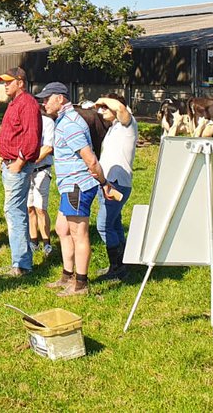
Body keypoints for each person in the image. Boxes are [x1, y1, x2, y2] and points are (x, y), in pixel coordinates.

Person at [39, 82, 117, 297]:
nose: (44, 103)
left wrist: (104, 183)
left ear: (60, 98)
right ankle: (67, 276)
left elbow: (90, 159)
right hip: (69, 185)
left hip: (77, 186)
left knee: (78, 234)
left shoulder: (70, 124)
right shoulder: (64, 120)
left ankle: (81, 284)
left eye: (47, 98)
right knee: (62, 229)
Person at [0, 66, 41, 277]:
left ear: (20, 82)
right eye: (4, 82)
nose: (5, 85)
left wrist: (19, 162)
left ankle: (22, 265)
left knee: (15, 212)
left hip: (17, 165)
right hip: (9, 163)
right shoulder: (14, 102)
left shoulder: (28, 104)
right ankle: (19, 260)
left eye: (9, 82)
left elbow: (31, 137)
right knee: (13, 211)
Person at [94, 95, 136, 280]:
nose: (101, 110)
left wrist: (102, 98)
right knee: (115, 223)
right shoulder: (114, 127)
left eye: (105, 107)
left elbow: (120, 108)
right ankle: (123, 262)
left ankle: (117, 267)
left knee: (103, 225)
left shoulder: (128, 123)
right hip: (108, 182)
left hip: (117, 182)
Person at [27, 100, 56, 257]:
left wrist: (30, 161)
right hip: (26, 171)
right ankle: (33, 241)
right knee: (29, 207)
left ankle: (46, 243)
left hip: (41, 170)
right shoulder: (24, 121)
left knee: (40, 208)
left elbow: (48, 148)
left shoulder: (47, 122)